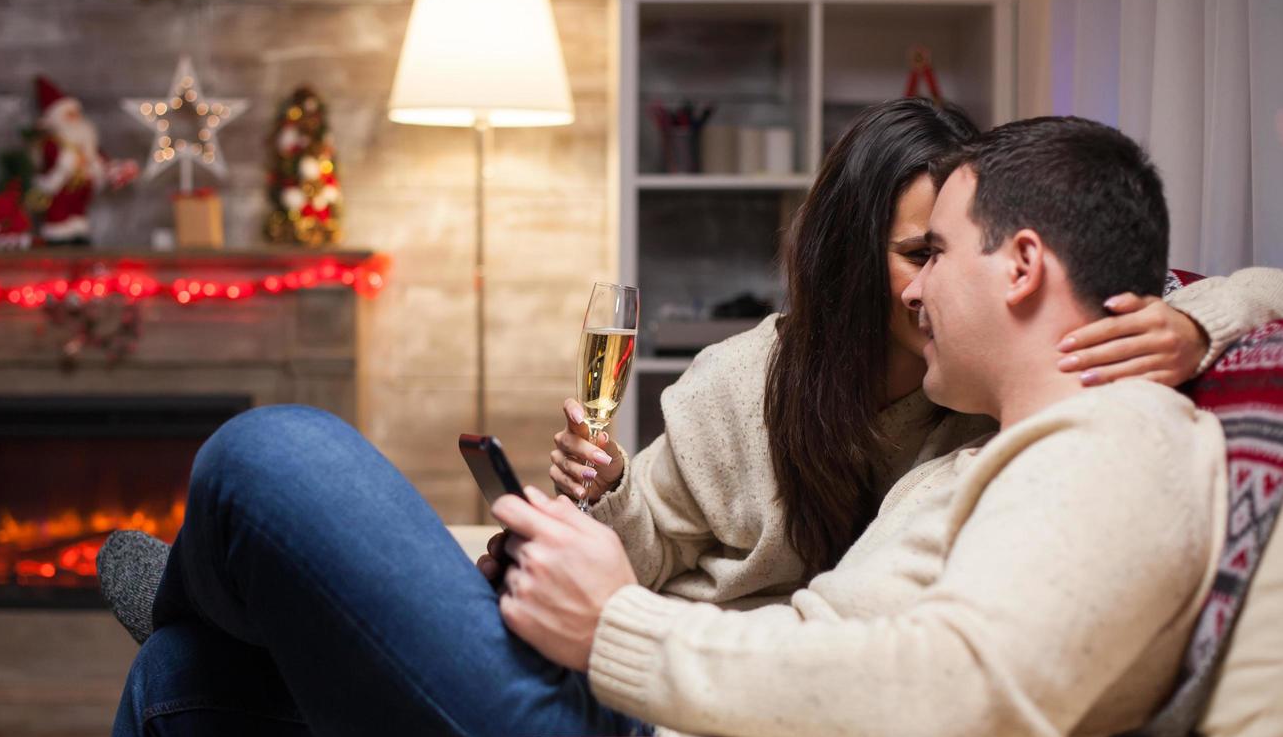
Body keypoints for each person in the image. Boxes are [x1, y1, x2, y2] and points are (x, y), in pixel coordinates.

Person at [51, 109, 1272, 737]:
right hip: (647, 705)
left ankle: (223, 594)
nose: (917, 286)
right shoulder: (986, 424)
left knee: (275, 452)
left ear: (1013, 267)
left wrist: (622, 627)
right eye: (905, 254)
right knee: (181, 689)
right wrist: (612, 544)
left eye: (936, 251)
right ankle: (223, 615)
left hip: (644, 732)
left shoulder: (1120, 439)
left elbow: (959, 685)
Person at [547, 99, 1283, 606]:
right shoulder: (743, 386)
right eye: (914, 254)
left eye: (945, 251)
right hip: (689, 645)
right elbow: (641, 561)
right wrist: (607, 490)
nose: (932, 284)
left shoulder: (992, 394)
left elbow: (1250, 287)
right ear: (851, 259)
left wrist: (1195, 328)